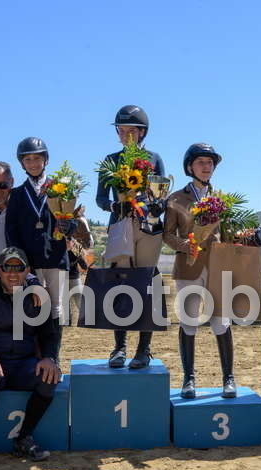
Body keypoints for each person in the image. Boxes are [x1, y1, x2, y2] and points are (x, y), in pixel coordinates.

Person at [0, 247, 62, 466]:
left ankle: (24, 438)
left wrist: (49, 358)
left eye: (18, 268)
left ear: (27, 270)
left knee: (49, 378)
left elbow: (49, 334)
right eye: (7, 267)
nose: (13, 273)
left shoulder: (38, 296)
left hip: (24, 363)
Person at [94, 105, 166, 369]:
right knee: (120, 284)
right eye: (121, 131)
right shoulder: (110, 160)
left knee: (146, 283)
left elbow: (161, 194)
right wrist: (114, 205)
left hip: (148, 227)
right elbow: (100, 198)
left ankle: (144, 349)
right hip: (121, 225)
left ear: (142, 132)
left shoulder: (155, 158)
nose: (125, 135)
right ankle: (119, 347)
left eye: (130, 131)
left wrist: (156, 206)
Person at [163, 143, 236, 398]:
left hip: (217, 266)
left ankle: (229, 378)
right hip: (188, 266)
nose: (206, 166)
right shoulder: (176, 199)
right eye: (201, 162)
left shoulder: (222, 198)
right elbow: (167, 235)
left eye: (210, 162)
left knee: (221, 321)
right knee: (189, 321)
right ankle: (189, 379)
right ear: (190, 167)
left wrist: (240, 240)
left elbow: (226, 233)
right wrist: (186, 245)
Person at [5, 137, 67, 355]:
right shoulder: (17, 194)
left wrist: (69, 225)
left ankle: (54, 357)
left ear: (46, 160)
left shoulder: (61, 189)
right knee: (33, 308)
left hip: (56, 259)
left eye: (37, 158)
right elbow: (11, 231)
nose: (33, 163)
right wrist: (21, 264)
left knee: (57, 309)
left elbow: (70, 222)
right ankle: (34, 357)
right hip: (30, 263)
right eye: (28, 159)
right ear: (22, 163)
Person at [64, 206, 93, 326]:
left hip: (72, 275)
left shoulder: (75, 243)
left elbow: (81, 259)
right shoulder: (65, 240)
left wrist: (86, 266)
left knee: (78, 298)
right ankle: (67, 321)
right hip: (66, 275)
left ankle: (87, 318)